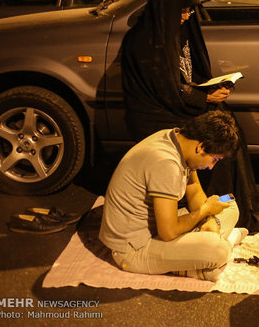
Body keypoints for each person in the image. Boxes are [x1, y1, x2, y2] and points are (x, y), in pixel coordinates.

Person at [120, 0, 259, 234]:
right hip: (155, 114)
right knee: (213, 138)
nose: (188, 16)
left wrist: (211, 89)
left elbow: (187, 78)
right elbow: (164, 89)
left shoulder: (179, 31)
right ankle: (211, 208)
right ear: (167, 10)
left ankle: (231, 204)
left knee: (226, 125)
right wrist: (204, 98)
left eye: (190, 10)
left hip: (180, 104)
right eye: (183, 10)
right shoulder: (144, 42)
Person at [99, 110, 248, 281]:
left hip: (156, 225)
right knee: (218, 250)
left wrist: (209, 220)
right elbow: (168, 232)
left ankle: (197, 257)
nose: (211, 167)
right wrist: (205, 211)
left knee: (229, 202)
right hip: (133, 249)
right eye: (214, 159)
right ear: (201, 147)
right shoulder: (166, 162)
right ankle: (224, 244)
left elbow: (193, 187)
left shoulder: (177, 139)